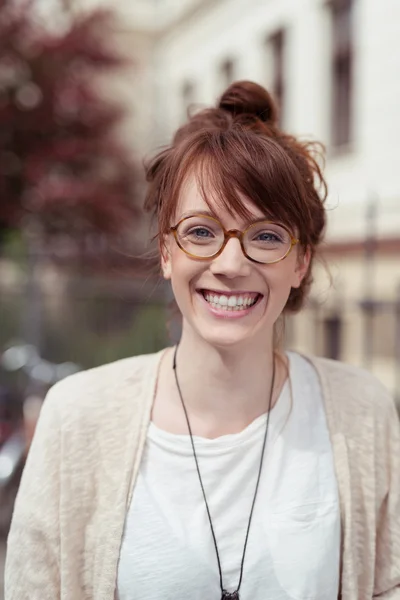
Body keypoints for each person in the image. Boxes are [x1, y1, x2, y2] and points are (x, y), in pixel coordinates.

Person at [5, 81, 400, 600]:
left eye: (266, 236)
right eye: (200, 231)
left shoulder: (361, 411)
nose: (231, 264)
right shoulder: (76, 416)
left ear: (301, 262)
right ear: (166, 251)